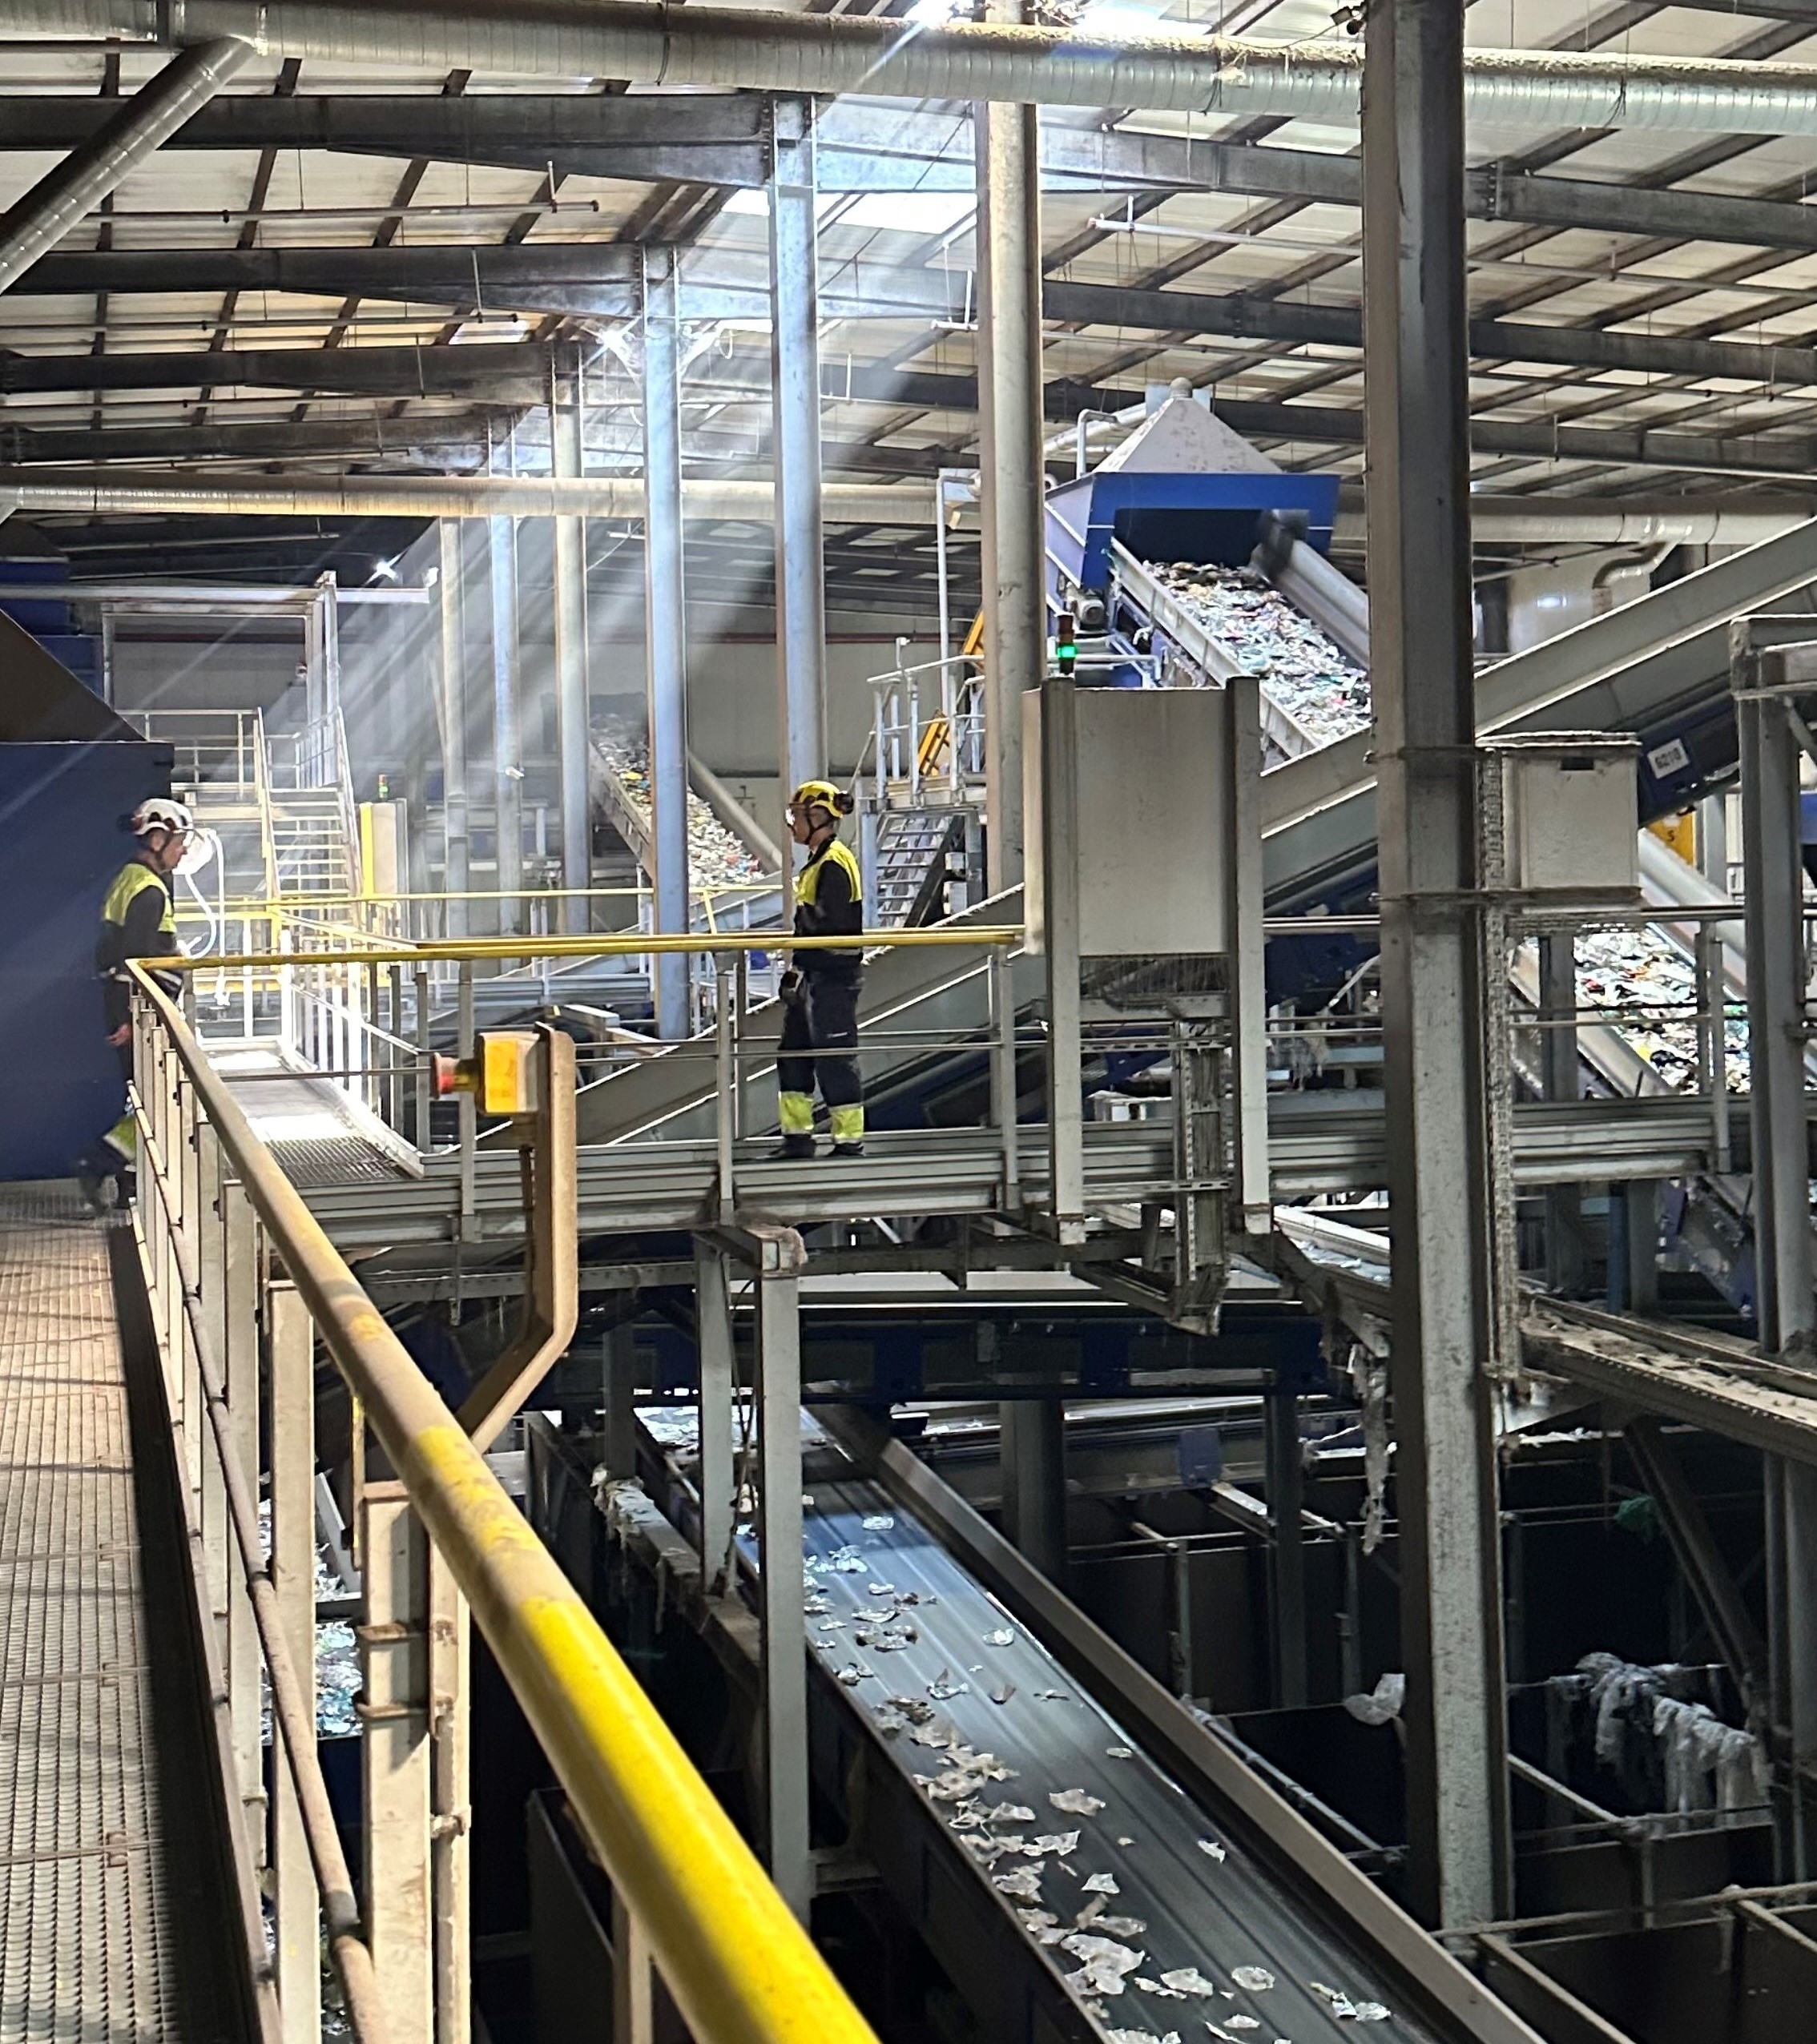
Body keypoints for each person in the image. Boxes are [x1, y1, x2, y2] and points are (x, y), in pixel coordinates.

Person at [77, 798, 192, 1210]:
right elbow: (136, 963)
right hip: (141, 1014)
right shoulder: (149, 891)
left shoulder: (131, 879)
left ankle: (128, 1185)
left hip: (131, 1010)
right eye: (178, 843)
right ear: (157, 840)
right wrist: (129, 1019)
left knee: (144, 1097)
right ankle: (99, 1163)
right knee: (154, 1100)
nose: (183, 851)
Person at [775, 779, 865, 1160]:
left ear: (819, 817)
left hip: (832, 978)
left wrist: (803, 947)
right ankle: (797, 1137)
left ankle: (848, 1141)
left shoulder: (834, 863)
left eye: (797, 815)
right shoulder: (818, 860)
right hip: (812, 974)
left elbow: (833, 926)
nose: (792, 823)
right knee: (793, 1055)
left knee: (834, 1058)